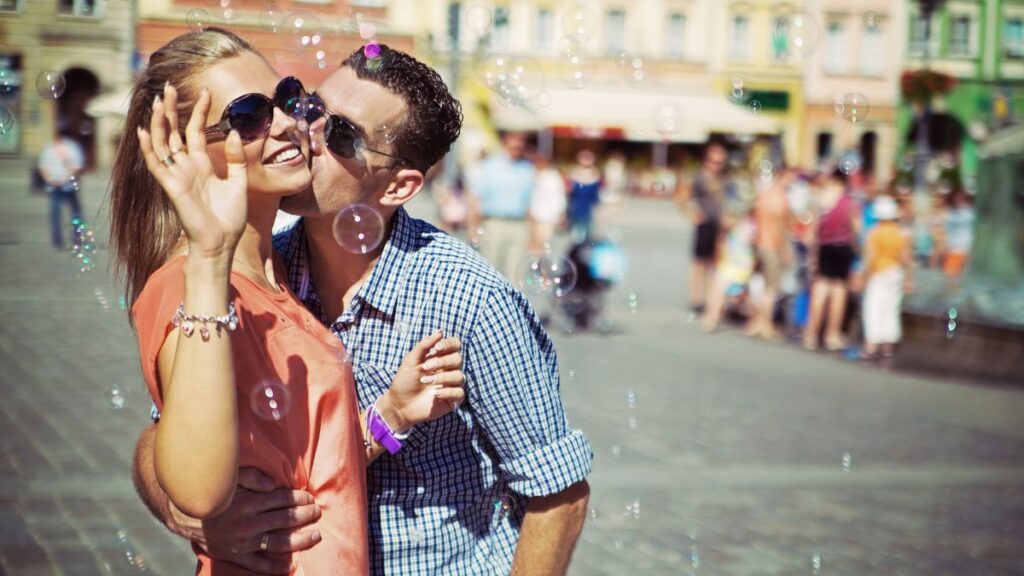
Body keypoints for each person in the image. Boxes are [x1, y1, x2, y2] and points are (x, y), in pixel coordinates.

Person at [134, 43, 592, 576]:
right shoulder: (258, 272)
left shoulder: (468, 299)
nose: (301, 129)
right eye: (308, 106)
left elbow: (558, 494)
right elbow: (165, 432)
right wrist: (181, 510)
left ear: (399, 185)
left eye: (341, 135)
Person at [112, 30, 465, 576]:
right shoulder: (193, 283)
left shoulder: (273, 267)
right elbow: (200, 490)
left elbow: (301, 464)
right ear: (182, 149)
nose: (286, 123)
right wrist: (209, 256)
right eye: (249, 115)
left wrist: (391, 415)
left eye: (284, 98)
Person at [803, 168, 861, 351]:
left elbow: (812, 230)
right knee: (838, 291)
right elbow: (857, 230)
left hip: (825, 247)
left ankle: (811, 335)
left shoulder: (821, 198)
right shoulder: (849, 201)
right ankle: (831, 335)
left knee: (820, 289)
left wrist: (812, 253)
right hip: (843, 248)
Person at [466, 131, 536, 281]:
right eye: (514, 142)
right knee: (491, 270)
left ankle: (511, 305)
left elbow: (529, 203)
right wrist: (473, 227)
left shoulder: (527, 168)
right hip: (494, 223)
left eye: (520, 143)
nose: (517, 146)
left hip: (519, 225)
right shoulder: (489, 166)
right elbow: (475, 198)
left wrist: (533, 234)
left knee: (516, 273)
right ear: (505, 143)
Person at [679, 142, 728, 318]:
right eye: (713, 161)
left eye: (720, 162)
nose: (716, 165)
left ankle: (711, 301)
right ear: (706, 161)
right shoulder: (699, 179)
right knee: (699, 264)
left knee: (714, 265)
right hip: (705, 226)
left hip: (719, 227)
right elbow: (681, 197)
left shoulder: (722, 179)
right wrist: (691, 215)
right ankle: (696, 301)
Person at [861, 195, 913, 361]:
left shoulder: (875, 233)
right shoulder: (901, 233)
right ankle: (888, 348)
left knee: (873, 308)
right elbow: (906, 258)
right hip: (896, 273)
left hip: (879, 273)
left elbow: (871, 258)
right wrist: (908, 279)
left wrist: (864, 277)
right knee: (891, 309)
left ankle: (871, 346)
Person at [748, 168, 794, 339]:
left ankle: (756, 322)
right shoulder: (779, 198)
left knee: (757, 285)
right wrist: (784, 251)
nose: (792, 183)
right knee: (771, 288)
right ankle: (765, 324)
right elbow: (781, 228)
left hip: (759, 244)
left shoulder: (764, 195)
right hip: (771, 246)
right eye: (790, 178)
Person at [37, 130, 85, 248]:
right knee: (75, 212)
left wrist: (50, 180)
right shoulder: (73, 147)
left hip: (57, 185)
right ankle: (75, 238)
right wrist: (63, 179)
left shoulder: (49, 148)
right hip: (66, 185)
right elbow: (77, 168)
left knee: (57, 213)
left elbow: (43, 168)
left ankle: (58, 240)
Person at [528, 152, 567, 253]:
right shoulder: (532, 174)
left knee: (544, 247)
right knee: (533, 248)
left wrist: (560, 214)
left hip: (547, 217)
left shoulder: (553, 177)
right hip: (532, 217)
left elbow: (559, 197)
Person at [941, 187, 975, 292]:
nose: (959, 200)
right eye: (956, 198)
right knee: (951, 273)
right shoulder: (949, 213)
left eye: (961, 198)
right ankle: (952, 291)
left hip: (967, 246)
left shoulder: (970, 213)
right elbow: (944, 229)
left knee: (963, 272)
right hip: (953, 247)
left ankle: (959, 291)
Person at [566, 149, 602, 243]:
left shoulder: (595, 174)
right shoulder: (574, 173)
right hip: (575, 207)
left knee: (587, 233)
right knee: (575, 234)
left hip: (588, 209)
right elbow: (570, 193)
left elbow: (595, 196)